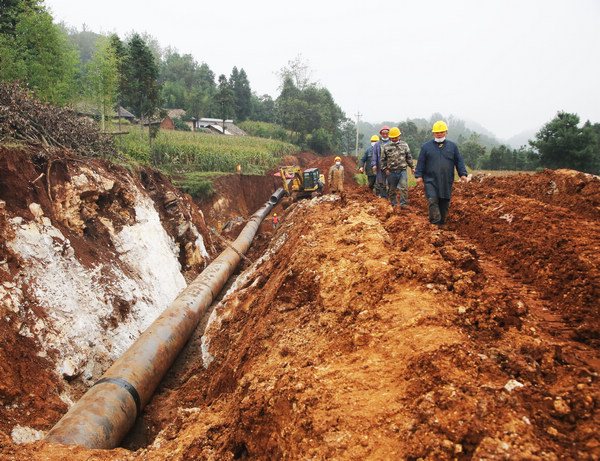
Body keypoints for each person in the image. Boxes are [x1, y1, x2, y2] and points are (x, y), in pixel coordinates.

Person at [414, 120, 468, 227]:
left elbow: (459, 161)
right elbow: (421, 162)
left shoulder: (452, 147)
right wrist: (419, 176)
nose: (439, 134)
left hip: (446, 179)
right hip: (430, 179)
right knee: (432, 200)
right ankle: (435, 223)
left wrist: (463, 174)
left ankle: (442, 223)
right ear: (433, 133)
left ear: (446, 132)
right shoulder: (426, 147)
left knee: (444, 202)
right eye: (437, 132)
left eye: (441, 132)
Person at [380, 127, 414, 207]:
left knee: (404, 187)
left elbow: (409, 157)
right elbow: (382, 160)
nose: (395, 139)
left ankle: (403, 204)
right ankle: (394, 205)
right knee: (392, 190)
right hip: (391, 172)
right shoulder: (386, 147)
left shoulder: (404, 145)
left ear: (399, 136)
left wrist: (412, 167)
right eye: (393, 137)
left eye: (396, 137)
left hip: (402, 170)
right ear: (390, 137)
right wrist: (385, 169)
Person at [371, 126, 391, 198]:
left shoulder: (392, 143)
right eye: (383, 134)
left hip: (391, 167)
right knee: (382, 183)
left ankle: (391, 198)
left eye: (386, 134)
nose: (385, 135)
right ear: (381, 134)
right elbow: (374, 155)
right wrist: (374, 164)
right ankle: (384, 198)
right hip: (380, 167)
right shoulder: (377, 145)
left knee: (391, 183)